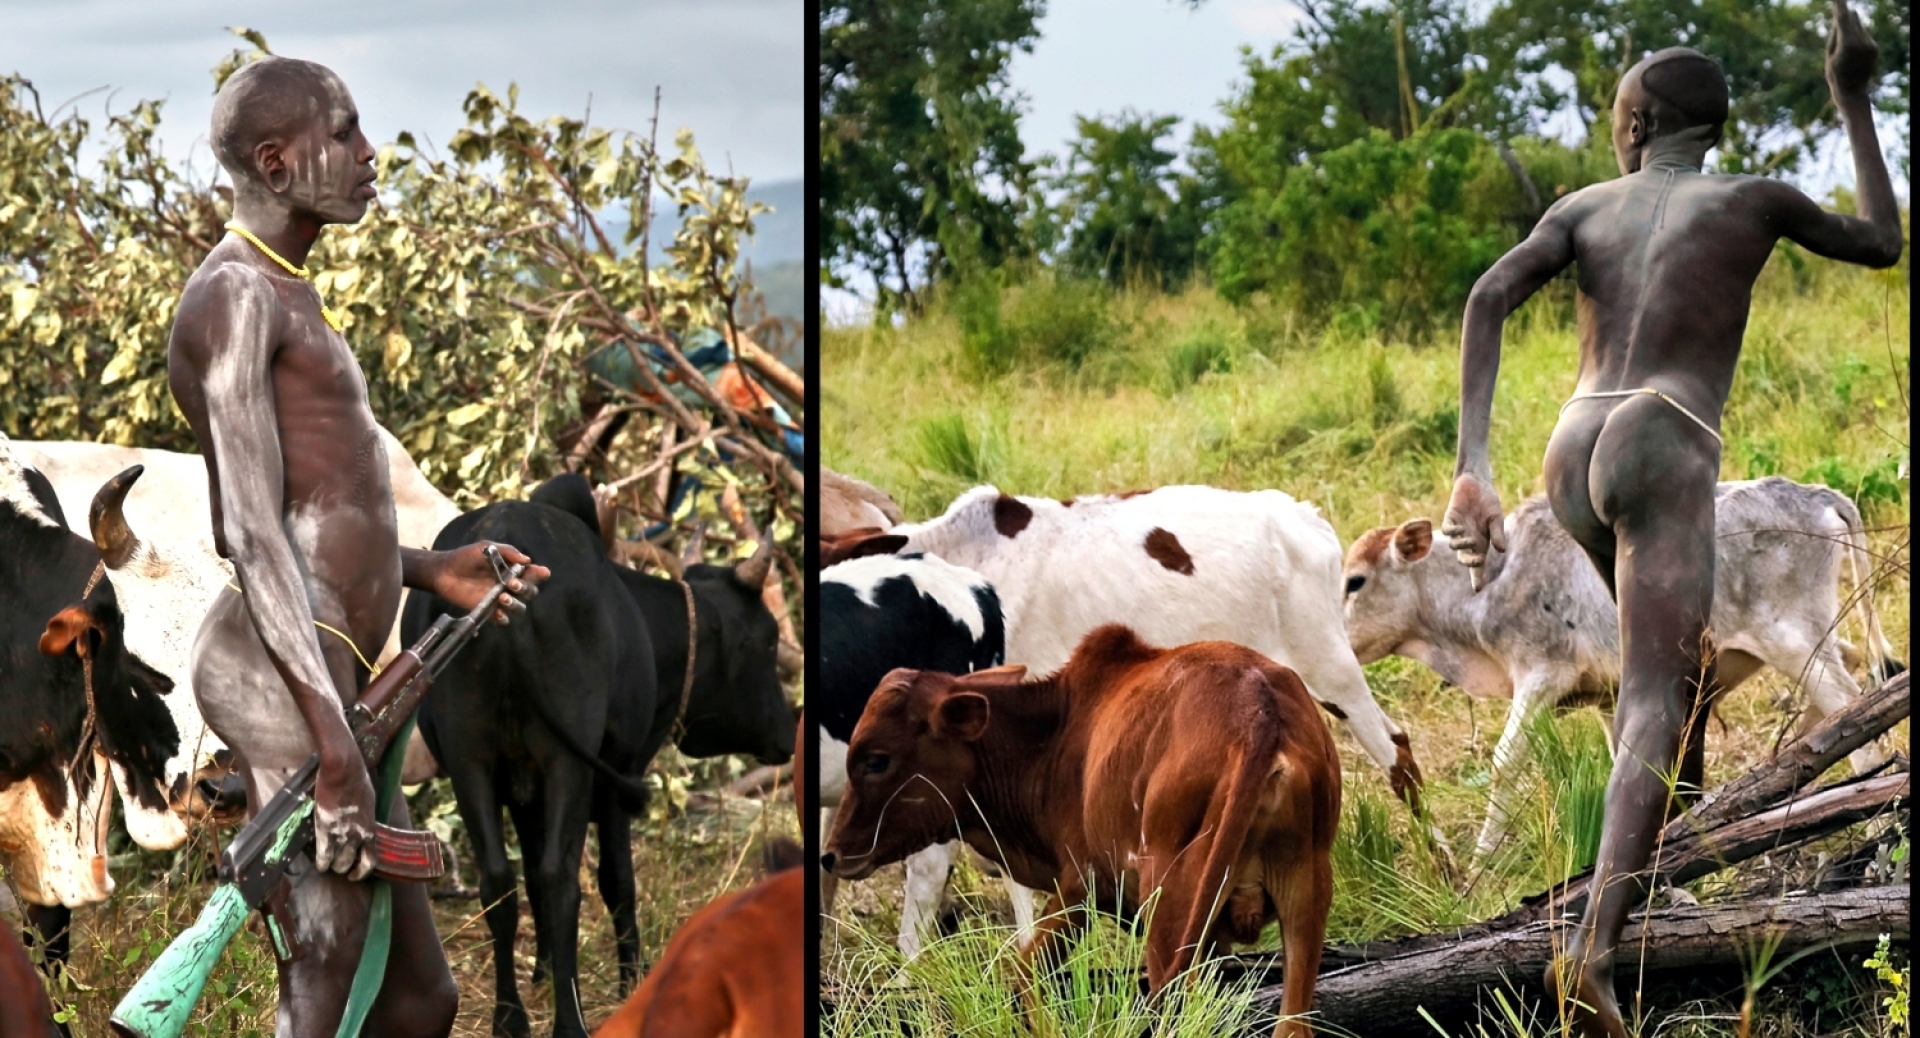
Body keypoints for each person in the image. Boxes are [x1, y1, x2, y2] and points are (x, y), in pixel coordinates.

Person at [1438, 4, 1902, 1035]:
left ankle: (1671, 879)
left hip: (1572, 444)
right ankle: (1593, 958)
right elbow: (1880, 242)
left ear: (1637, 125)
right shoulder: (1756, 198)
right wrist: (1853, 97)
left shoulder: (1583, 206)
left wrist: (1474, 466)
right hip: (1665, 432)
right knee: (1652, 693)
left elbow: (1486, 297)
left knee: (1673, 677)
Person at [168, 56, 551, 1037]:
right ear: (278, 162)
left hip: (335, 686)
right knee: (325, 977)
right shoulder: (237, 300)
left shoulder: (287, 293)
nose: (370, 153)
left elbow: (316, 515)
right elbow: (251, 535)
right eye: (344, 133)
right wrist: (335, 751)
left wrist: (435, 571)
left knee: (420, 999)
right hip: (286, 680)